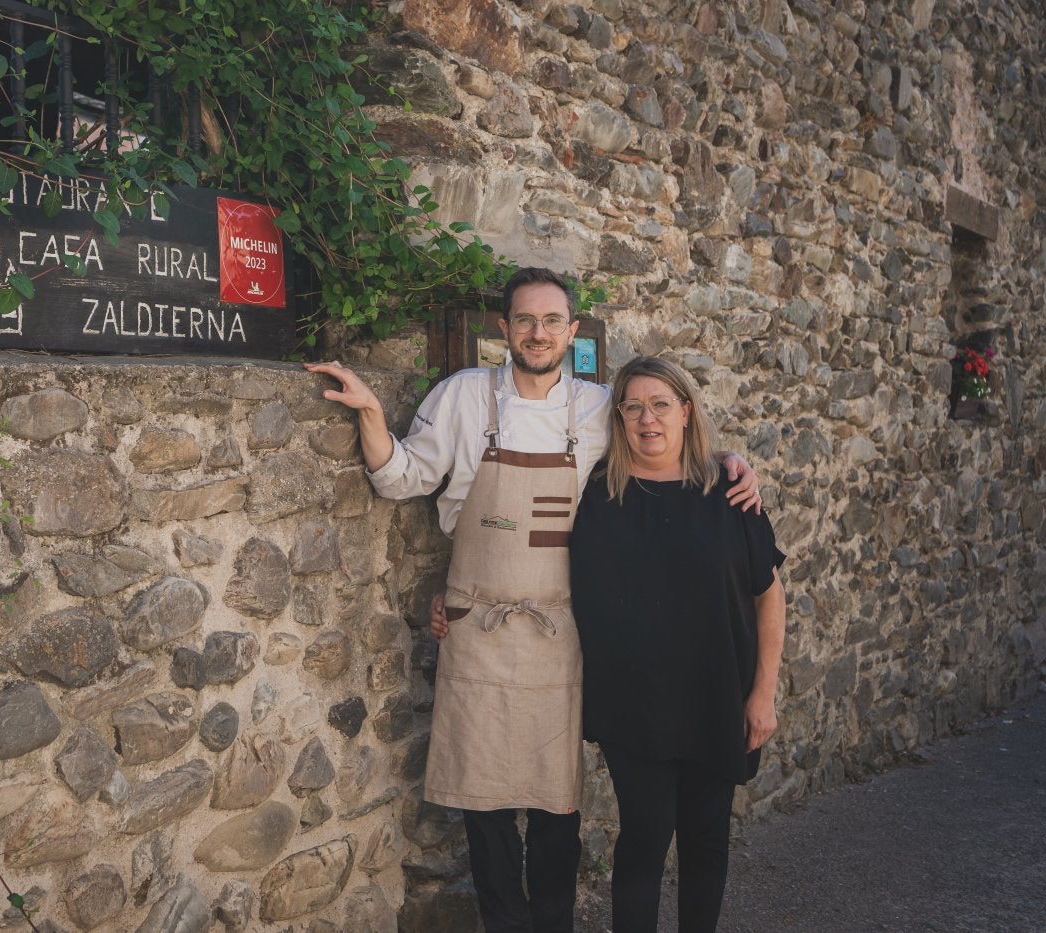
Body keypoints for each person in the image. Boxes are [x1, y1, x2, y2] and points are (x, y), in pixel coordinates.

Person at [305, 268, 761, 933]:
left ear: (572, 332)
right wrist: (373, 414)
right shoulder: (461, 396)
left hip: (559, 633)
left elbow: (659, 443)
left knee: (555, 812)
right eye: (525, 320)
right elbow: (403, 477)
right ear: (504, 329)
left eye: (552, 321)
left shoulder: (599, 408)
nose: (538, 332)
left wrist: (730, 462)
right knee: (483, 811)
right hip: (478, 629)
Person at [573, 356, 785, 933]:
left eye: (661, 404)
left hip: (716, 696)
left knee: (705, 841)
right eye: (634, 406)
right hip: (632, 706)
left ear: (686, 412)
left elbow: (769, 595)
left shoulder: (730, 493)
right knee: (643, 838)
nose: (648, 419)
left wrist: (762, 694)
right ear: (619, 417)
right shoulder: (597, 494)